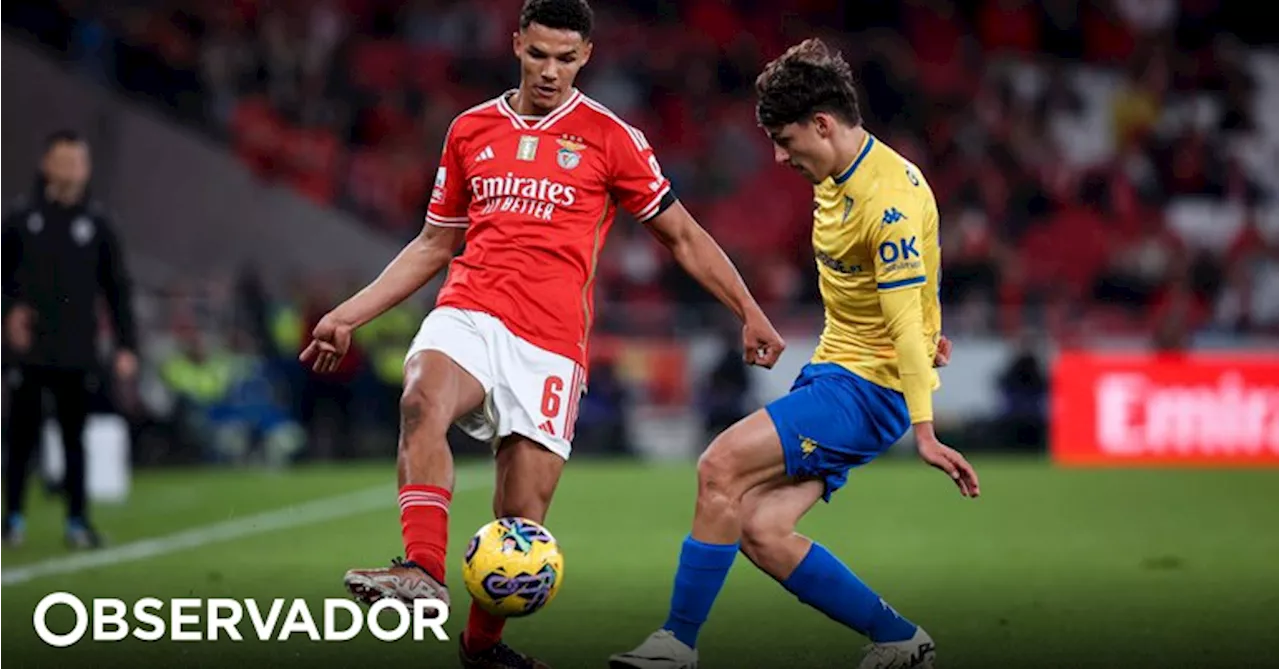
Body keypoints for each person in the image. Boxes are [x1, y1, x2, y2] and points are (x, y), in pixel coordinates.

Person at [298, 1, 785, 667]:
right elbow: (435, 242)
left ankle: (482, 648)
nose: (550, 71)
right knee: (421, 398)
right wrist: (350, 312)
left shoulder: (611, 137)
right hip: (469, 309)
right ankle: (421, 567)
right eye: (538, 55)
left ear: (586, 57)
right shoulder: (470, 130)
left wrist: (747, 307)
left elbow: (682, 235)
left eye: (565, 58)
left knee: (520, 525)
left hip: (551, 345)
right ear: (516, 45)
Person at [609, 39, 980, 669]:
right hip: (836, 371)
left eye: (785, 140)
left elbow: (898, 312)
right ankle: (900, 639)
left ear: (823, 124)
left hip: (870, 389)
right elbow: (908, 293)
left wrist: (925, 429)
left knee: (717, 466)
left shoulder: (886, 202)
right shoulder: (839, 173)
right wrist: (924, 325)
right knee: (759, 528)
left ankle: (676, 644)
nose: (780, 158)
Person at [0, 130, 138, 550]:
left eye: (79, 161)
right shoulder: (21, 219)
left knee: (74, 436)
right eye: (64, 160)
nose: (72, 169)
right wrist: (9, 313)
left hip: (77, 349)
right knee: (19, 436)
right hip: (29, 350)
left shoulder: (97, 224)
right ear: (47, 165)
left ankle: (78, 521)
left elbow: (117, 290)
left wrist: (126, 346)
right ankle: (13, 520)